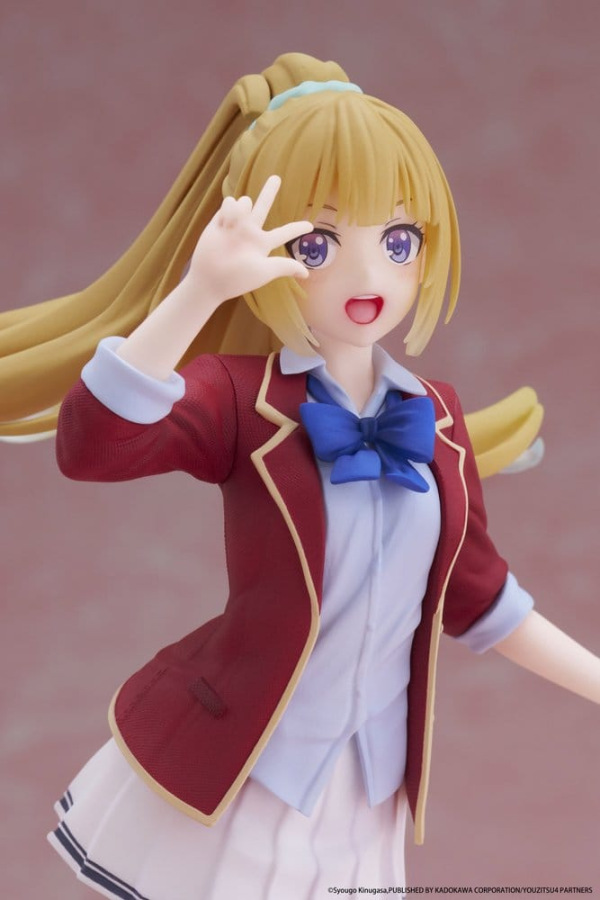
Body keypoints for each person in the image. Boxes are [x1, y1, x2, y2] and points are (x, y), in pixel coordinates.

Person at [1, 53, 598, 900]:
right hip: (243, 773)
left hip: (366, 795)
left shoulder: (437, 419)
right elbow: (93, 447)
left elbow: (480, 601)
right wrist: (199, 291)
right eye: (318, 244)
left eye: (398, 241)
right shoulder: (240, 398)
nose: (369, 277)